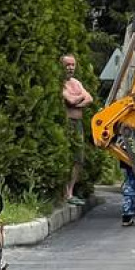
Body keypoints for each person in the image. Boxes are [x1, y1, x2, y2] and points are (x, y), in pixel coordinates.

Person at [61, 54, 93, 206]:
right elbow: (71, 100)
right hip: (67, 123)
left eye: (73, 65)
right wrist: (80, 98)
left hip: (78, 123)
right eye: (67, 65)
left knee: (78, 159)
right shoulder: (61, 84)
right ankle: (64, 193)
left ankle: (71, 191)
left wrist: (77, 101)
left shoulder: (76, 83)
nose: (70, 68)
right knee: (66, 158)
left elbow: (89, 99)